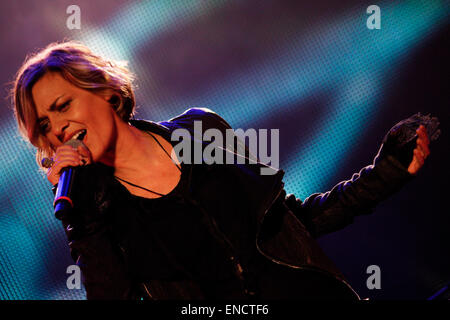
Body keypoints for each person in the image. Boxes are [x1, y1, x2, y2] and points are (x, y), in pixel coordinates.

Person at [12, 41, 437, 300]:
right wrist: (83, 218)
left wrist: (383, 175)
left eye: (62, 106)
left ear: (103, 88)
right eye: (43, 127)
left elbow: (295, 223)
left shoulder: (201, 131)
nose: (57, 128)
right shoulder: (94, 213)